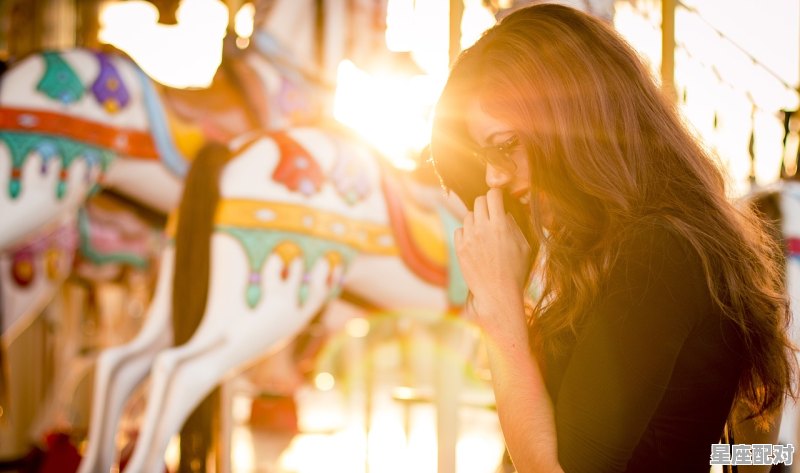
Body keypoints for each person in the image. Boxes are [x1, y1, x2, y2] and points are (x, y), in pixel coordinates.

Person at [429, 4, 798, 472]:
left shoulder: (656, 251)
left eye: (506, 145)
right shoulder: (661, 243)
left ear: (574, 123)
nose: (494, 177)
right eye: (485, 155)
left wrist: (500, 315)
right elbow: (753, 440)